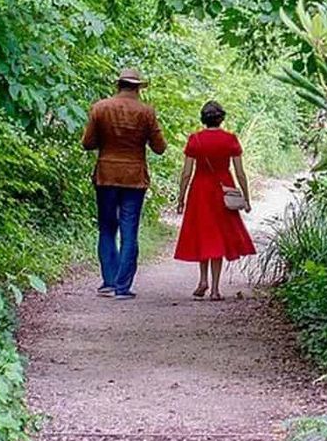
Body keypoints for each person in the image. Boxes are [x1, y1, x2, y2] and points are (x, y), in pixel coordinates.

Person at [82, 67, 166, 299]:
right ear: (138, 87)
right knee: (130, 231)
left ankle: (109, 281)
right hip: (134, 178)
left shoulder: (100, 108)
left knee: (107, 228)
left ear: (118, 85)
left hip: (106, 175)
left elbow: (88, 143)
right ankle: (122, 287)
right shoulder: (146, 112)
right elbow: (159, 148)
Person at [174, 100, 255, 300]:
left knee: (204, 233)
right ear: (221, 118)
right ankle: (216, 289)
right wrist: (245, 197)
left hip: (200, 190)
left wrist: (181, 197)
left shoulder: (195, 140)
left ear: (203, 119)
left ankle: (203, 280)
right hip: (222, 190)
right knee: (218, 236)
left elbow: (186, 173)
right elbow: (240, 172)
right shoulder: (230, 139)